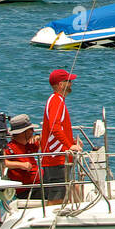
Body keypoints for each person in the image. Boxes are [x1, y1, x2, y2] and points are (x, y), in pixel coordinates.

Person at [40, 69, 81, 203]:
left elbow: (59, 128)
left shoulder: (57, 100)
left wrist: (72, 142)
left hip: (60, 157)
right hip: (56, 158)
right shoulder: (56, 101)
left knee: (68, 191)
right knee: (57, 198)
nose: (71, 84)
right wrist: (70, 145)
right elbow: (54, 127)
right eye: (68, 81)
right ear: (60, 85)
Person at [1, 114, 41, 201]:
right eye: (31, 130)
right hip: (28, 190)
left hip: (40, 184)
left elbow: (45, 143)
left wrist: (38, 136)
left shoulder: (29, 144)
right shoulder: (10, 148)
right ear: (23, 132)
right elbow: (1, 162)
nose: (33, 131)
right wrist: (21, 165)